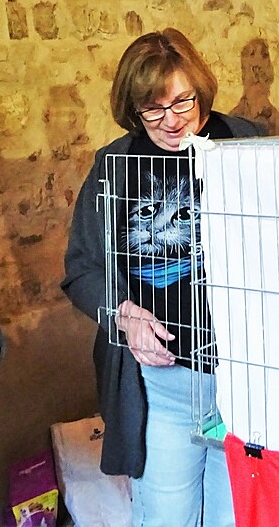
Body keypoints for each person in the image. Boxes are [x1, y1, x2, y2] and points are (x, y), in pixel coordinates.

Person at [61, 28, 265, 526]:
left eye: (181, 102)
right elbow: (82, 269)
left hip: (243, 384)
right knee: (166, 516)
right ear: (133, 109)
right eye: (153, 109)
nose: (171, 121)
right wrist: (122, 314)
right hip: (161, 383)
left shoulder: (249, 144)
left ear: (200, 90)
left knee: (233, 516)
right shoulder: (115, 166)